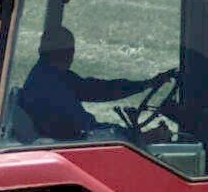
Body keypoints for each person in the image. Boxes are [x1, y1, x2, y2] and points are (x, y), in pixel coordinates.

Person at [14, 23, 152, 143]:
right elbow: (87, 132)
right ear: (68, 53)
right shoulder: (51, 88)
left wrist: (144, 85)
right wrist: (141, 137)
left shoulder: (48, 75)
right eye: (71, 51)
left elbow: (98, 89)